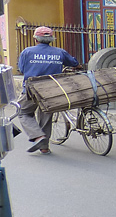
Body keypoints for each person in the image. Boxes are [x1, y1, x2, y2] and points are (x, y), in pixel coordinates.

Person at [16, 26, 80, 155]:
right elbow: (74, 63)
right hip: (52, 90)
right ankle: (44, 147)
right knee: (46, 116)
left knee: (22, 112)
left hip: (32, 89)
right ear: (51, 40)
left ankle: (38, 136)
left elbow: (22, 69)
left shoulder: (27, 52)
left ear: (36, 39)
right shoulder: (60, 52)